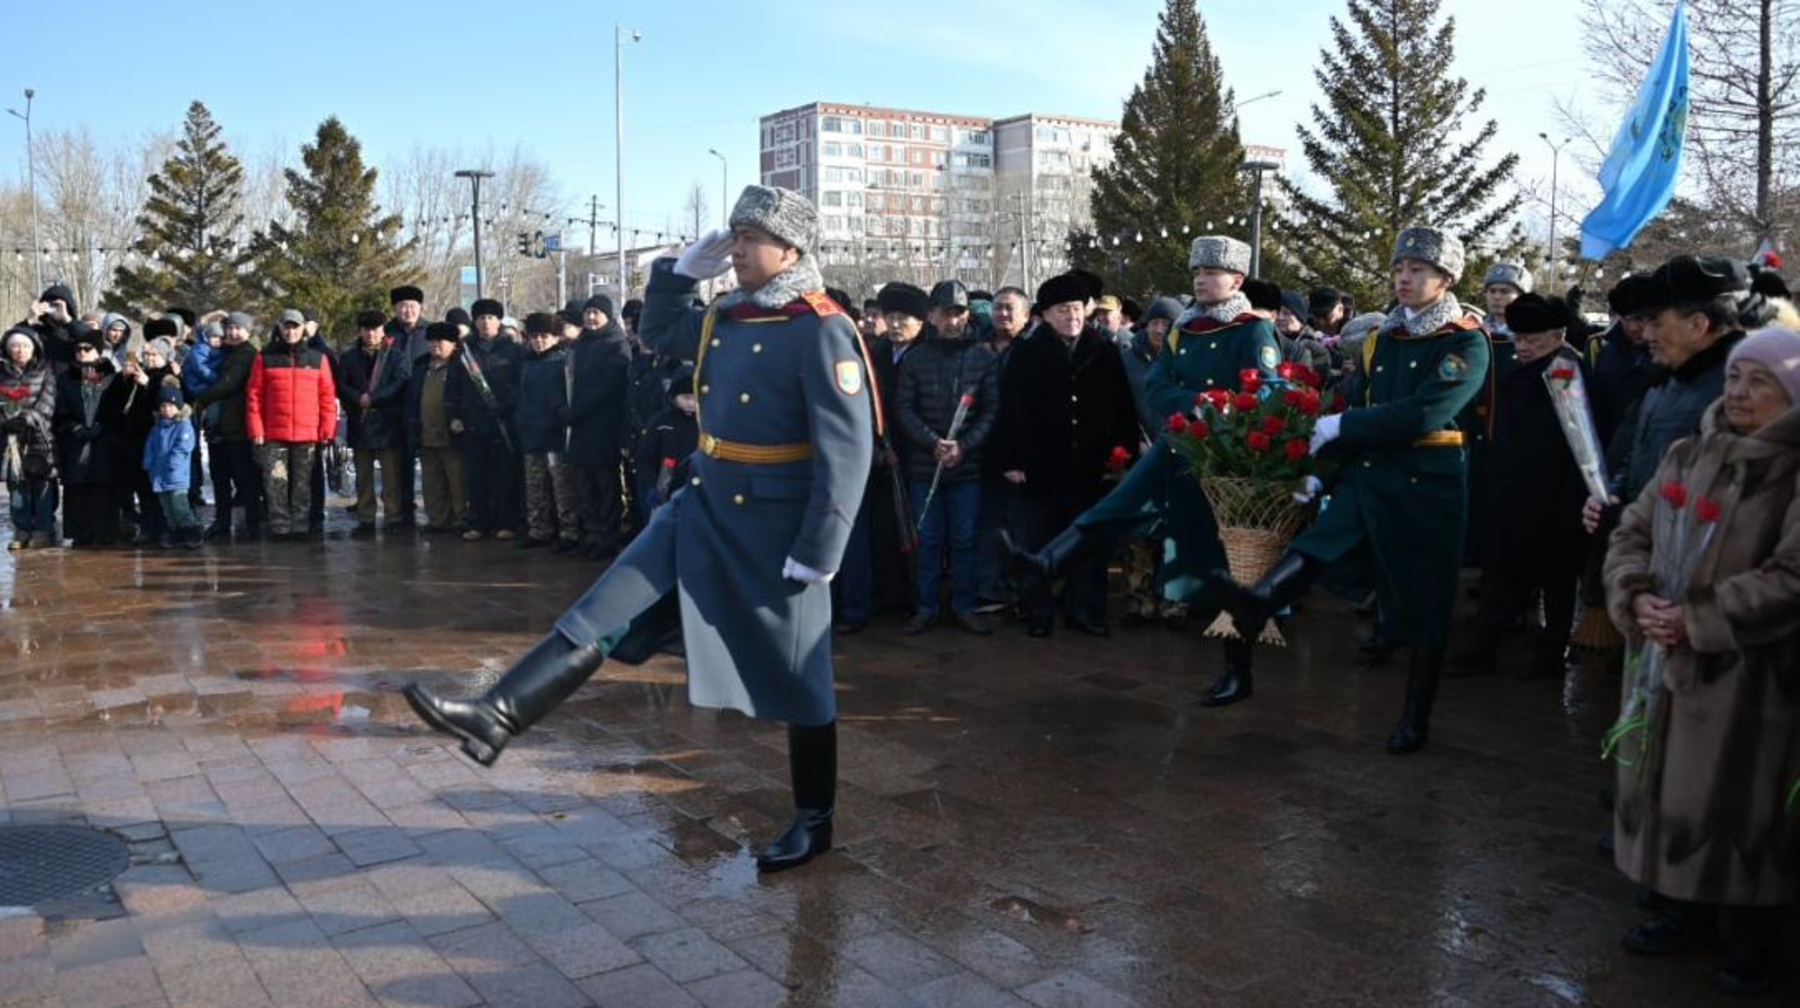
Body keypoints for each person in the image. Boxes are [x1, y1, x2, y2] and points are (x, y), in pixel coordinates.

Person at [404, 186, 872, 874]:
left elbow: (848, 445)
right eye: (735, 235)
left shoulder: (822, 326)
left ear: (791, 250)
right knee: (608, 605)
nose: (737, 249)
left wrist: (820, 547)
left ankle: (814, 816)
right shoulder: (724, 313)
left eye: (751, 238)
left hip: (777, 523)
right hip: (705, 500)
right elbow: (659, 331)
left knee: (800, 675)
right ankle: (496, 714)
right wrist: (676, 275)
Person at [1209, 226, 1489, 753]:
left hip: (1428, 481)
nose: (1405, 278)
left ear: (1445, 279)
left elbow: (1427, 411)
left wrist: (1346, 430)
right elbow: (1358, 409)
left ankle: (1415, 713)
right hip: (1372, 469)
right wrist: (1324, 470)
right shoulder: (1384, 338)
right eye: (1400, 269)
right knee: (1319, 541)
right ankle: (1258, 601)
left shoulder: (1464, 340)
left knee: (1426, 601)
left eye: (1418, 271)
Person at [1602, 326, 1800, 998]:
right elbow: (1632, 530)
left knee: (1744, 800)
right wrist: (1637, 598)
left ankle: (1751, 933)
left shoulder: (1792, 469)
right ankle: (1676, 904)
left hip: (1750, 676)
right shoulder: (1688, 454)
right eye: (1736, 376)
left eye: (1760, 381)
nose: (1739, 391)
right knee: (1670, 786)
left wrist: (1700, 618)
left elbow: (1793, 578)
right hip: (1663, 660)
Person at [1012, 237, 1278, 670]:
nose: (1202, 280)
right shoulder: (1185, 327)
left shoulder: (1252, 328)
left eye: (1211, 273)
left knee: (1230, 557)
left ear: (1237, 279)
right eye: (1198, 272)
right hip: (1184, 440)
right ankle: (1046, 561)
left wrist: (1218, 406)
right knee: (1120, 503)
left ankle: (1239, 656)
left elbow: (1266, 390)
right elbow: (1158, 385)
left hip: (1229, 453)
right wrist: (1200, 402)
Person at [995, 270, 1142, 638]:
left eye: (1077, 309)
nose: (1072, 317)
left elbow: (1124, 408)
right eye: (1063, 310)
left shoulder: (1105, 352)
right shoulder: (1027, 354)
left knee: (1089, 543)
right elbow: (1010, 410)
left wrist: (1122, 456)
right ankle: (1038, 613)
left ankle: (1087, 611)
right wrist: (1011, 460)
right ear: (1044, 314)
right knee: (1038, 541)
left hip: (1092, 468)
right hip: (1041, 467)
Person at [1450, 294, 1589, 678]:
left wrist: (1571, 500)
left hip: (1554, 496)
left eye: (1532, 340)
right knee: (1501, 575)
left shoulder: (1566, 371)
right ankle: (1482, 648)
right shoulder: (1520, 373)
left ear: (1558, 335)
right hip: (1514, 492)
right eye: (1519, 339)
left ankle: (1550, 656)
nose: (1523, 347)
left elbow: (1581, 443)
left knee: (1557, 584)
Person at [1585, 256, 1757, 537]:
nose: (1646, 334)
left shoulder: (1737, 394)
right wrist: (1611, 495)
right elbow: (1637, 453)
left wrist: (1629, 517)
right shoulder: (1666, 379)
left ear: (1698, 325)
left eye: (1656, 322)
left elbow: (1727, 502)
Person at [896, 279, 1000, 636]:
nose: (953, 321)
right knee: (927, 540)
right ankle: (925, 606)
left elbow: (990, 410)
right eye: (945, 313)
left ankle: (964, 605)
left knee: (964, 539)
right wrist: (932, 443)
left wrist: (964, 446)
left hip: (966, 468)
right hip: (926, 468)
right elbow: (905, 409)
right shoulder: (915, 358)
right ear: (931, 316)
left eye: (959, 313)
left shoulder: (982, 357)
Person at [246, 310, 338, 541]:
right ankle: (279, 527)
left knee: (302, 484)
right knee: (275, 482)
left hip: (307, 433)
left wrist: (327, 429)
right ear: (279, 328)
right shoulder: (264, 357)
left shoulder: (318, 358)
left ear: (303, 329)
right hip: (273, 433)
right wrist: (256, 429)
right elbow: (254, 396)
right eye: (286, 327)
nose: (290, 331)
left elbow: (327, 397)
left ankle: (300, 526)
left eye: (295, 326)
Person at [566, 295, 633, 559]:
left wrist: (576, 411)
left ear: (607, 315)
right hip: (580, 427)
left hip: (603, 425)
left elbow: (608, 386)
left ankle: (607, 535)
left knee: (606, 485)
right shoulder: (580, 344)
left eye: (596, 312)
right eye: (588, 312)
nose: (590, 318)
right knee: (585, 484)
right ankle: (591, 532)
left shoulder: (616, 344)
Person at [336, 310, 408, 534]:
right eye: (366, 329)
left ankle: (393, 516)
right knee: (363, 476)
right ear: (360, 331)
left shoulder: (395, 355)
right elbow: (341, 386)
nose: (371, 333)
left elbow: (400, 383)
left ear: (383, 330)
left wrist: (374, 398)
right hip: (360, 422)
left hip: (388, 422)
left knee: (391, 476)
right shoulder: (348, 358)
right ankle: (366, 518)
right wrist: (358, 399)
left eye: (375, 329)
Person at [458, 298, 524, 541]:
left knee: (505, 474)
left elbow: (520, 383)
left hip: (504, 422)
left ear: (499, 321)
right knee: (476, 475)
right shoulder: (464, 350)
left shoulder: (513, 349)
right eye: (481, 318)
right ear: (474, 322)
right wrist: (456, 414)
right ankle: (477, 522)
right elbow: (455, 386)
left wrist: (505, 405)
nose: (486, 322)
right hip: (474, 422)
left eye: (491, 318)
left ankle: (506, 522)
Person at [193, 313, 263, 539]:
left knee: (245, 478)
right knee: (219, 478)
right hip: (218, 426)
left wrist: (201, 400)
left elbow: (228, 384)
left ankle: (253, 523)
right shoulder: (222, 353)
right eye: (229, 328)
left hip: (238, 426)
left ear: (247, 331)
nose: (232, 333)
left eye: (237, 328)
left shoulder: (247, 354)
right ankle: (222, 522)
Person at [515, 312, 581, 550]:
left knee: (562, 486)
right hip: (531, 431)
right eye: (534, 337)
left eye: (544, 336)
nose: (539, 341)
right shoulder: (526, 362)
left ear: (555, 337)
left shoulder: (563, 361)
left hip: (556, 433)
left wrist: (561, 417)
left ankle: (569, 530)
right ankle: (539, 529)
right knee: (535, 485)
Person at [53, 337, 120, 546]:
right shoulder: (65, 378)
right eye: (78, 349)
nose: (81, 352)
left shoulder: (111, 376)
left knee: (102, 487)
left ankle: (104, 532)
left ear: (98, 351)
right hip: (75, 439)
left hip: (104, 440)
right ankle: (81, 533)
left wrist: (103, 425)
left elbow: (118, 409)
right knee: (77, 488)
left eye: (87, 348)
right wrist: (73, 426)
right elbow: (59, 407)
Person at [408, 324, 469, 534]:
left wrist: (459, 418)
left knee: (457, 480)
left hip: (452, 434)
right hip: (425, 433)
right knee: (431, 482)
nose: (435, 345)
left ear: (452, 343)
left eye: (440, 341)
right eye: (431, 341)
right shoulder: (421, 366)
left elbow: (466, 396)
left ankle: (461, 518)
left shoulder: (461, 365)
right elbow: (413, 398)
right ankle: (437, 520)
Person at [1, 326, 58, 549]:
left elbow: (48, 401)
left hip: (39, 436)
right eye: (15, 346)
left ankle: (43, 529)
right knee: (17, 485)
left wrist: (28, 417)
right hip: (10, 438)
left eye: (24, 345)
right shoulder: (1, 371)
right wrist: (6, 420)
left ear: (33, 348)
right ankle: (21, 528)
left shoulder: (45, 370)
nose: (19, 350)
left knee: (42, 484)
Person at [631, 363, 698, 513]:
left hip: (700, 491)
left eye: (695, 397)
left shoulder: (709, 423)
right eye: (686, 397)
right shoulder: (661, 422)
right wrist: (650, 486)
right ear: (674, 397)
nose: (691, 403)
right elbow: (644, 459)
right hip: (666, 489)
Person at [143, 379, 202, 549]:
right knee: (167, 508)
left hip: (176, 475)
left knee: (180, 506)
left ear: (178, 407)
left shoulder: (183, 425)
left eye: (170, 406)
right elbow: (151, 445)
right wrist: (149, 462)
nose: (166, 409)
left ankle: (191, 532)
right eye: (163, 406)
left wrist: (172, 464)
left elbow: (183, 447)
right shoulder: (158, 427)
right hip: (159, 474)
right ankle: (175, 532)